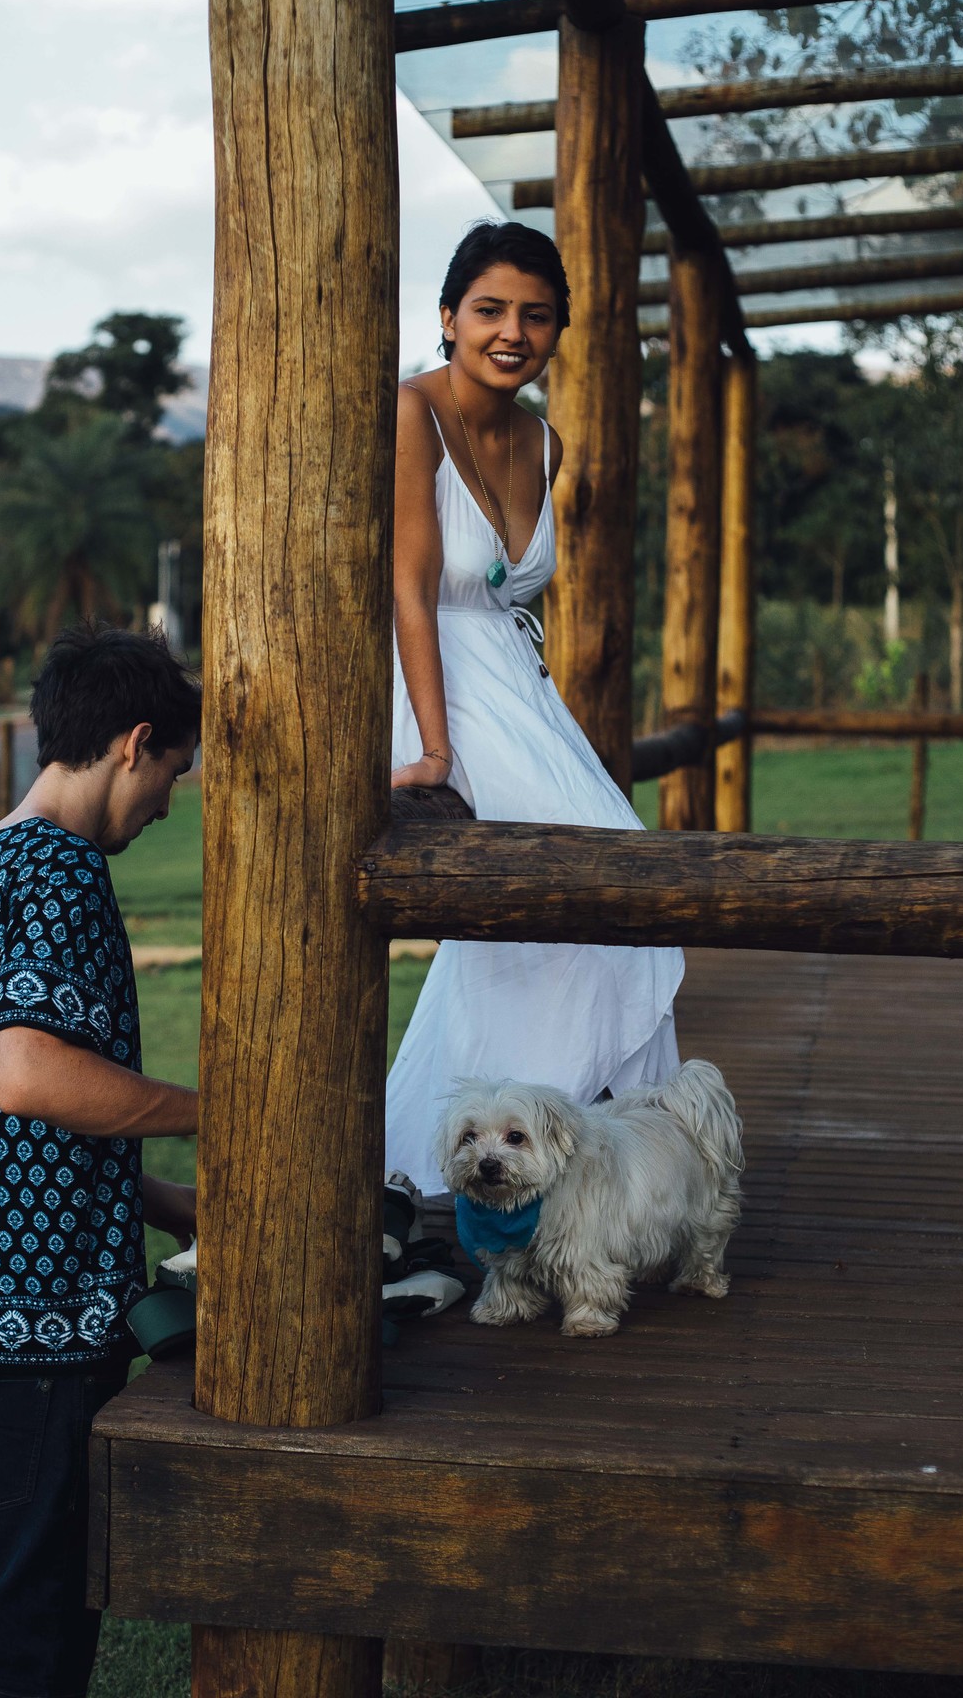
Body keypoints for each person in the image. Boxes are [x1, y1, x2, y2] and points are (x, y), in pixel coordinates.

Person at [0, 621, 202, 1698]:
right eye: (172, 775)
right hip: (29, 1334)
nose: (166, 805)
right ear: (134, 741)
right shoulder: (64, 873)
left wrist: (167, 1207)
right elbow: (25, 1077)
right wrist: (211, 1113)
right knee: (24, 1653)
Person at [385, 220, 685, 1195]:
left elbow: (514, 597)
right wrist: (433, 752)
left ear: (558, 329)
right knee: (587, 909)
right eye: (489, 310)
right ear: (447, 317)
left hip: (519, 689)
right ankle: (535, 1167)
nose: (512, 331)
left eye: (536, 315)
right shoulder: (408, 414)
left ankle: (456, 1170)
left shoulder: (546, 440)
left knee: (599, 906)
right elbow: (409, 588)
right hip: (435, 684)